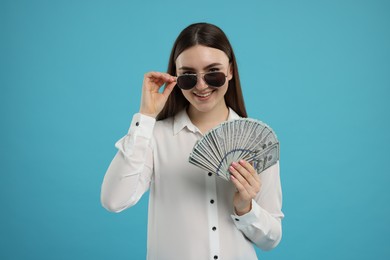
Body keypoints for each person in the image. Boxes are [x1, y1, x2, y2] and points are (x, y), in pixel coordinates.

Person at [101, 22, 284, 260]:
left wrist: (245, 207)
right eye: (188, 76)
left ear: (230, 71)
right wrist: (145, 117)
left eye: (213, 73)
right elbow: (113, 200)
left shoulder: (257, 142)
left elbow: (272, 239)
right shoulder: (155, 137)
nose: (201, 85)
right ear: (175, 77)